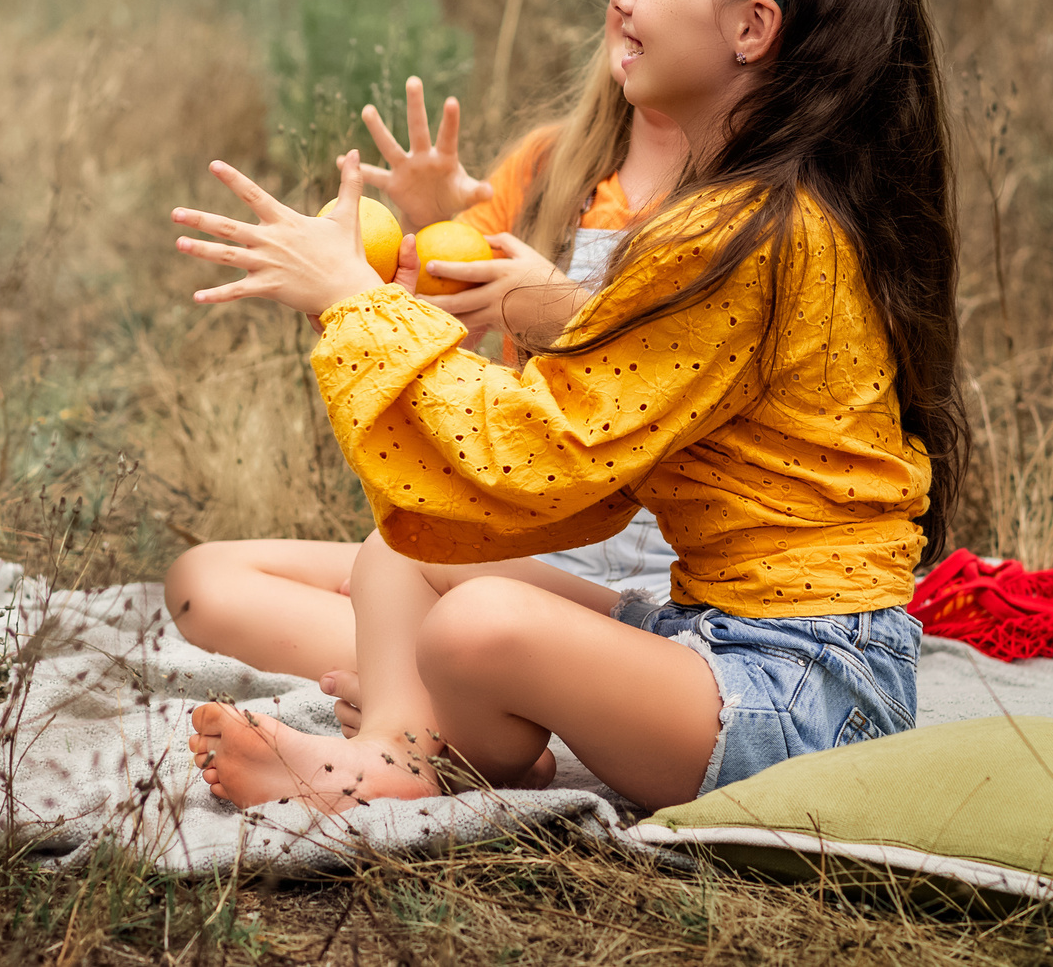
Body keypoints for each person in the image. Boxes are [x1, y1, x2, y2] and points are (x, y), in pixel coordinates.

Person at [165, 0, 960, 812]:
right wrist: (501, 296)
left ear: (752, 28)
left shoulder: (744, 236)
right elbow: (629, 353)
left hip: (805, 692)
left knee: (481, 625)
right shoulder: (749, 219)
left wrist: (358, 303)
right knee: (401, 557)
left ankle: (402, 753)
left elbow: (537, 454)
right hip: (710, 632)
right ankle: (409, 744)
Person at [162, 46, 691, 689]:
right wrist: (422, 232)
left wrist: (559, 309)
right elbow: (443, 317)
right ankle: (451, 689)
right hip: (511, 542)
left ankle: (442, 693)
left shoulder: (741, 214)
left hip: (646, 584)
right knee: (203, 581)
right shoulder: (553, 165)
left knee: (448, 614)